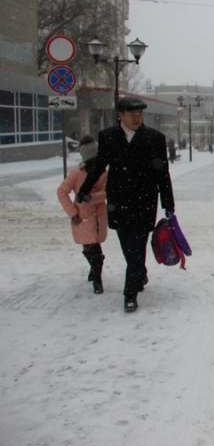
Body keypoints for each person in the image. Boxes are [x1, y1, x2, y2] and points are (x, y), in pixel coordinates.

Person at [76, 97, 175, 313]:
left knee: (137, 247)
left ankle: (129, 295)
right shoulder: (109, 137)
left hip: (145, 202)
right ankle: (139, 272)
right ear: (120, 115)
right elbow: (99, 166)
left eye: (139, 114)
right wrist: (84, 189)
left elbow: (162, 173)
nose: (136, 118)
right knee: (127, 247)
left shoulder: (154, 138)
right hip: (118, 202)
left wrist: (168, 204)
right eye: (131, 115)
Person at [57, 136, 109, 295]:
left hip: (99, 216)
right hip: (82, 216)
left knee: (95, 247)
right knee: (89, 248)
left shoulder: (104, 173)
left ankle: (96, 273)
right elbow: (62, 191)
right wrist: (72, 213)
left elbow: (107, 192)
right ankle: (96, 273)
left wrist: (93, 197)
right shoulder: (76, 173)